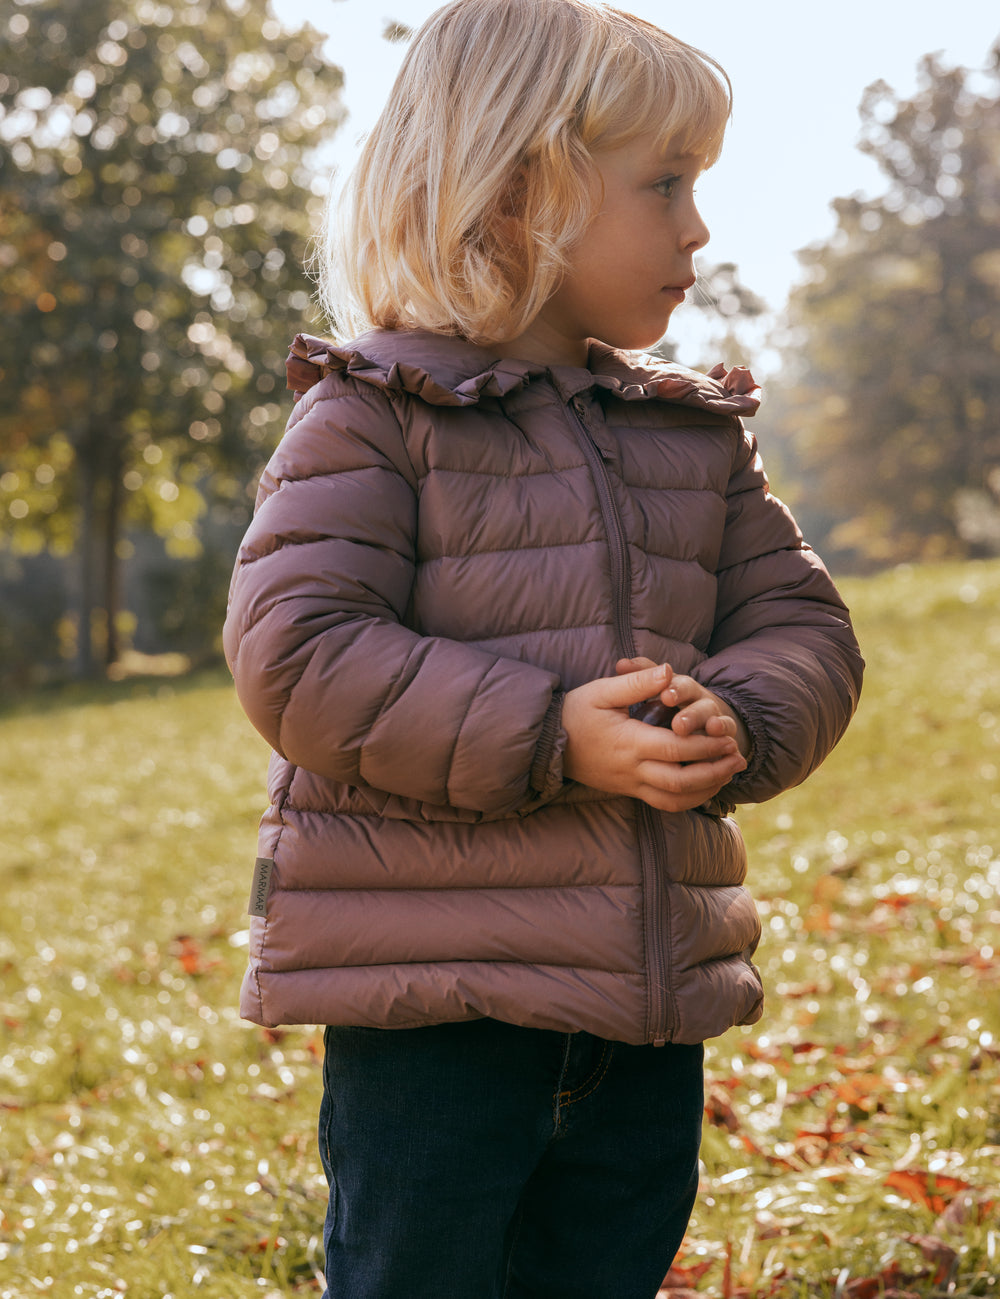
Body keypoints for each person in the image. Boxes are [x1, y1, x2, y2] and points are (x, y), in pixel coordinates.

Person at [223, 1, 864, 1295]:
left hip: (643, 1010)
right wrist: (550, 732)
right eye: (666, 184)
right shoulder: (372, 417)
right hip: (437, 1011)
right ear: (521, 190)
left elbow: (803, 623)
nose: (697, 227)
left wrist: (739, 713)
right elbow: (297, 648)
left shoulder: (694, 438)